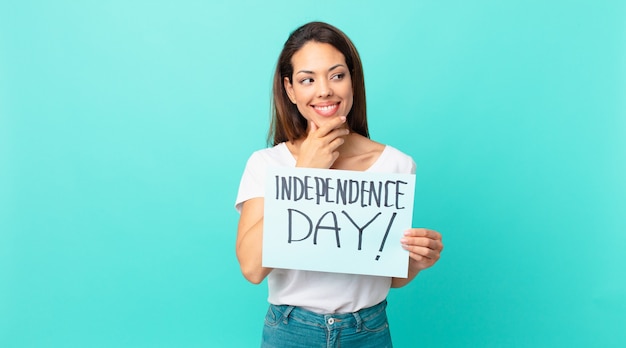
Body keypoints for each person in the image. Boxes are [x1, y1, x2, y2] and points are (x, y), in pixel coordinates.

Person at [235, 21, 444, 348]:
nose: (324, 91)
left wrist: (415, 262)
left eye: (336, 75)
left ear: (352, 81)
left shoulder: (396, 165)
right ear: (290, 90)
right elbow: (251, 268)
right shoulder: (267, 164)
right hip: (291, 330)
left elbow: (387, 276)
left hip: (368, 330)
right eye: (307, 80)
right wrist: (304, 174)